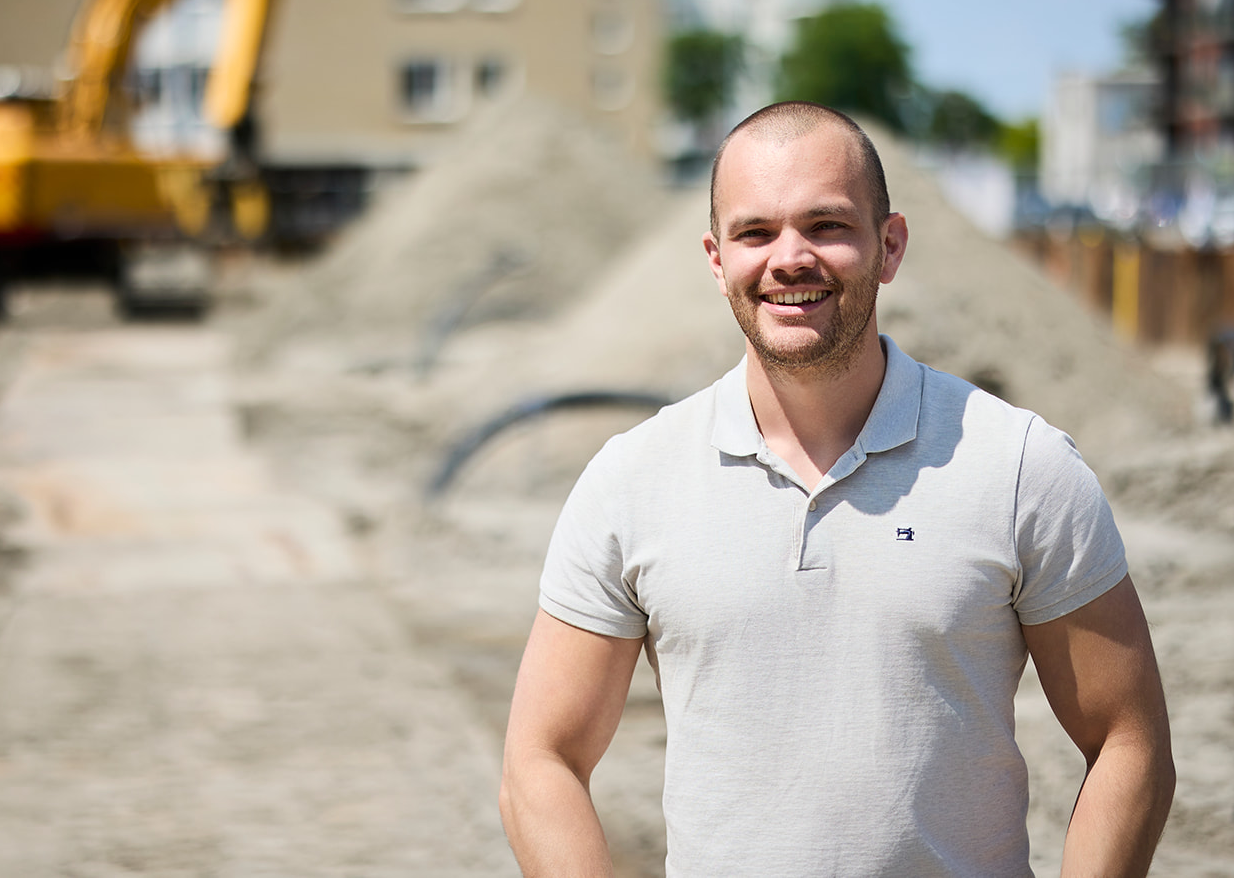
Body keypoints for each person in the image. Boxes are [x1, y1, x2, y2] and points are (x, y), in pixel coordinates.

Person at [498, 101, 1174, 877]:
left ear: (889, 246)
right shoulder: (632, 479)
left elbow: (1129, 739)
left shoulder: (1019, 465)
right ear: (717, 261)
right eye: (756, 232)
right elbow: (541, 758)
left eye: (827, 225)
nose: (790, 258)